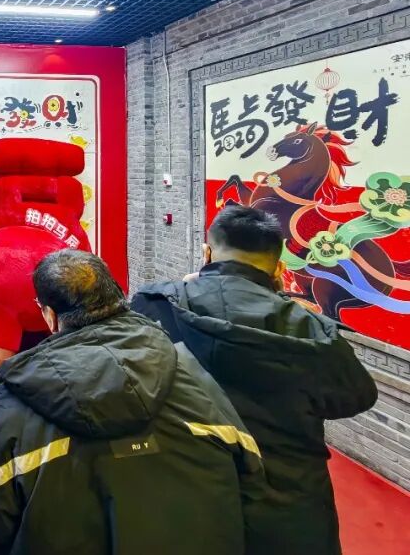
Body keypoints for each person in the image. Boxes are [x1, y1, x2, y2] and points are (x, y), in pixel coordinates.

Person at [0, 250, 264, 555]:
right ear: (118, 296)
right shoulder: (190, 368)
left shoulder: (18, 399)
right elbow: (249, 470)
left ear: (49, 315)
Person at [131, 203, 378, 555]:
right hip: (288, 507)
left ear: (206, 253)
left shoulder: (156, 304)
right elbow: (355, 397)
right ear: (279, 267)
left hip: (186, 492)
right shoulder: (313, 329)